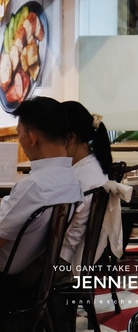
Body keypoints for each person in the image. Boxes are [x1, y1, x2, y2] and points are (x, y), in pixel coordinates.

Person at [0, 97, 82, 309]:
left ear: (32, 137)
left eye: (19, 134)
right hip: (31, 273)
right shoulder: (72, 181)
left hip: (7, 282)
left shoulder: (34, 186)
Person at [60, 101, 122, 269]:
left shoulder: (77, 178)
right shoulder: (93, 165)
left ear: (70, 138)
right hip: (75, 255)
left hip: (59, 260)